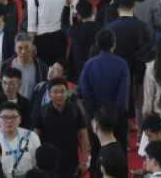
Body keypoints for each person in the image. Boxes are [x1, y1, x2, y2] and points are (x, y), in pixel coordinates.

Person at [79, 30, 130, 168]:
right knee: (120, 155)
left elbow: (85, 94)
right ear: (114, 44)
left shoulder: (88, 65)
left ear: (97, 44)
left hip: (96, 118)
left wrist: (92, 116)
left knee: (96, 154)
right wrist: (115, 115)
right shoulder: (122, 64)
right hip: (117, 118)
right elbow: (123, 95)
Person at [33, 77, 89, 177]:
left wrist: (84, 161)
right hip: (48, 162)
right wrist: (36, 159)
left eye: (62, 91)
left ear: (67, 93)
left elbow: (84, 136)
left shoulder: (75, 110)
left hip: (70, 161)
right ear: (49, 94)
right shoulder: (43, 111)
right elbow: (36, 136)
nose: (59, 95)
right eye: (55, 92)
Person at [0, 101, 41, 178]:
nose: (9, 121)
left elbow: (37, 164)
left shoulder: (31, 136)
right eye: (5, 117)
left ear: (20, 119)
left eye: (13, 117)